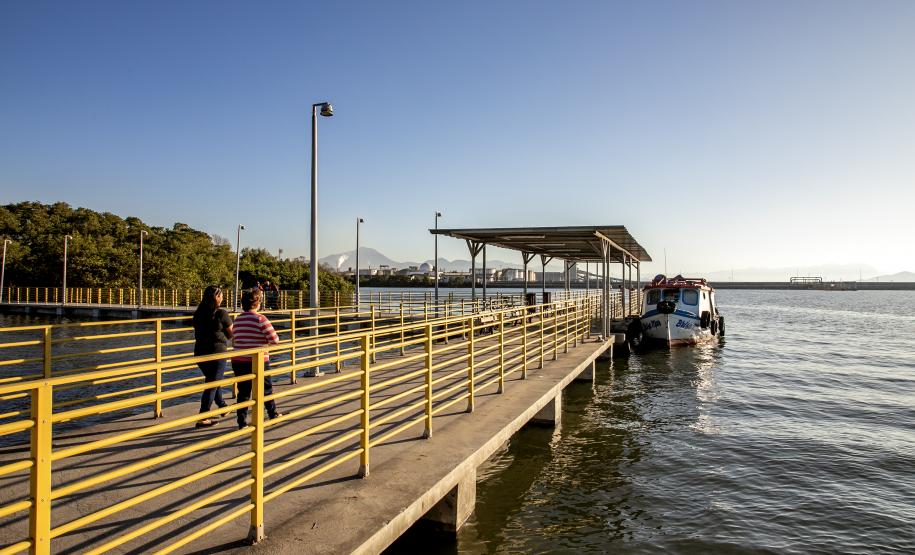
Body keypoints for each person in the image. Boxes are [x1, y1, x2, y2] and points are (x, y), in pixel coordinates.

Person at [231, 288, 281, 429]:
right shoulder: (260, 319)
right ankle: (272, 414)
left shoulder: (238, 319)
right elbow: (275, 339)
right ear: (258, 303)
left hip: (239, 360)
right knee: (266, 389)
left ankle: (242, 423)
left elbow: (235, 339)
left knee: (244, 392)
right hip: (258, 361)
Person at [192, 285, 233, 428]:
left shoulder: (198, 313)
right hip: (217, 353)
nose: (222, 298)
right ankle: (203, 416)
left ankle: (222, 406)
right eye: (220, 295)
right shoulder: (221, 313)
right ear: (216, 297)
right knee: (213, 383)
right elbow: (231, 334)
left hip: (200, 352)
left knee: (213, 380)